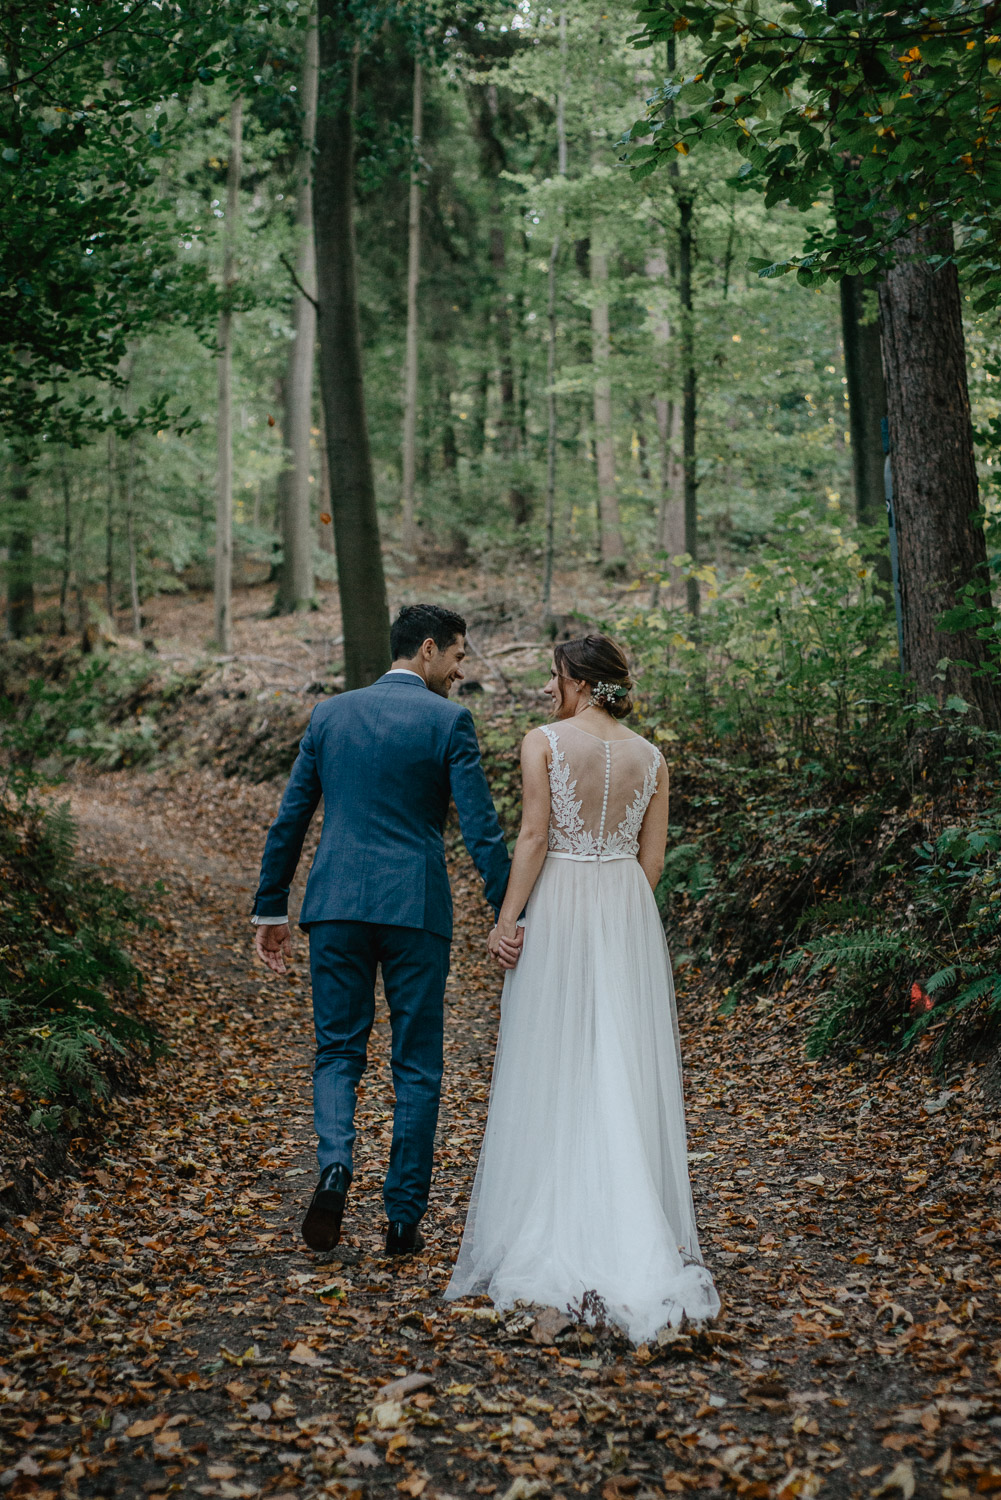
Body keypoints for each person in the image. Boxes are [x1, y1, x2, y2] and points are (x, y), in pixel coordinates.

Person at [447, 634, 718, 1342]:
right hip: (624, 907)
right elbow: (651, 858)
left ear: (581, 681)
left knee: (556, 1053)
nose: (547, 686)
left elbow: (534, 836)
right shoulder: (651, 756)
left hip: (562, 898)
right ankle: (633, 1224)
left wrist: (508, 920)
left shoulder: (542, 741)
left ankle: (557, 1217)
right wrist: (619, 913)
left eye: (555, 675)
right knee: (618, 1057)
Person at [251, 604, 512, 1257]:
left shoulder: (329, 715)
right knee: (416, 1065)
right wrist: (512, 909)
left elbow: (290, 819)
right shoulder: (448, 720)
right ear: (427, 650)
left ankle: (335, 1166)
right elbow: (480, 829)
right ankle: (401, 1221)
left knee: (338, 1053)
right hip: (414, 910)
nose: (460, 671)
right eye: (457, 656)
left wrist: (271, 908)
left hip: (335, 903)